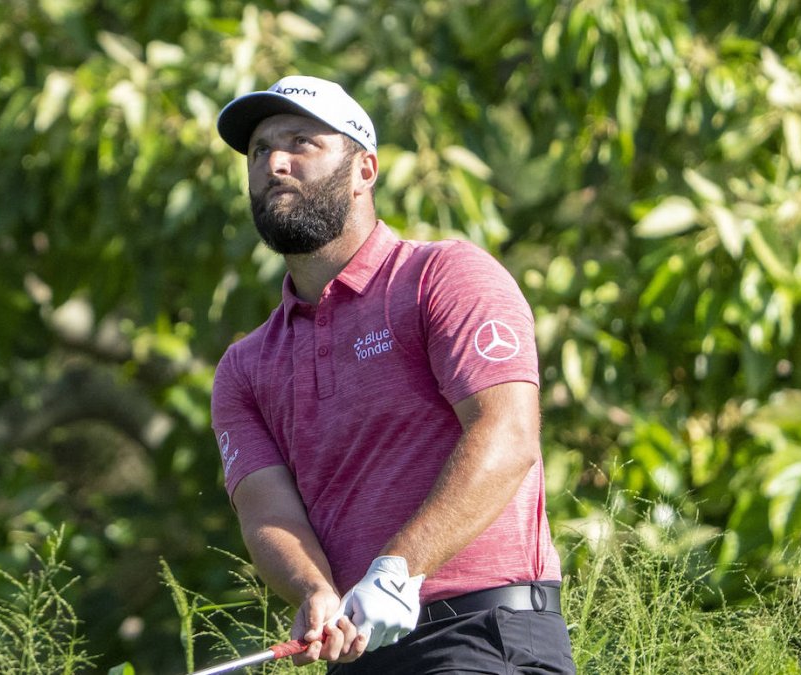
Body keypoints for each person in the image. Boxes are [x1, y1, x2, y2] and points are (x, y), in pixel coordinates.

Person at [210, 75, 575, 674]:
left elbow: (508, 439)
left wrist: (399, 568)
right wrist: (313, 591)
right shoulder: (245, 367)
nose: (274, 162)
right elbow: (266, 511)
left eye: (301, 142)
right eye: (257, 152)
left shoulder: (444, 277)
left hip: (483, 637)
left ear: (364, 170)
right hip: (359, 654)